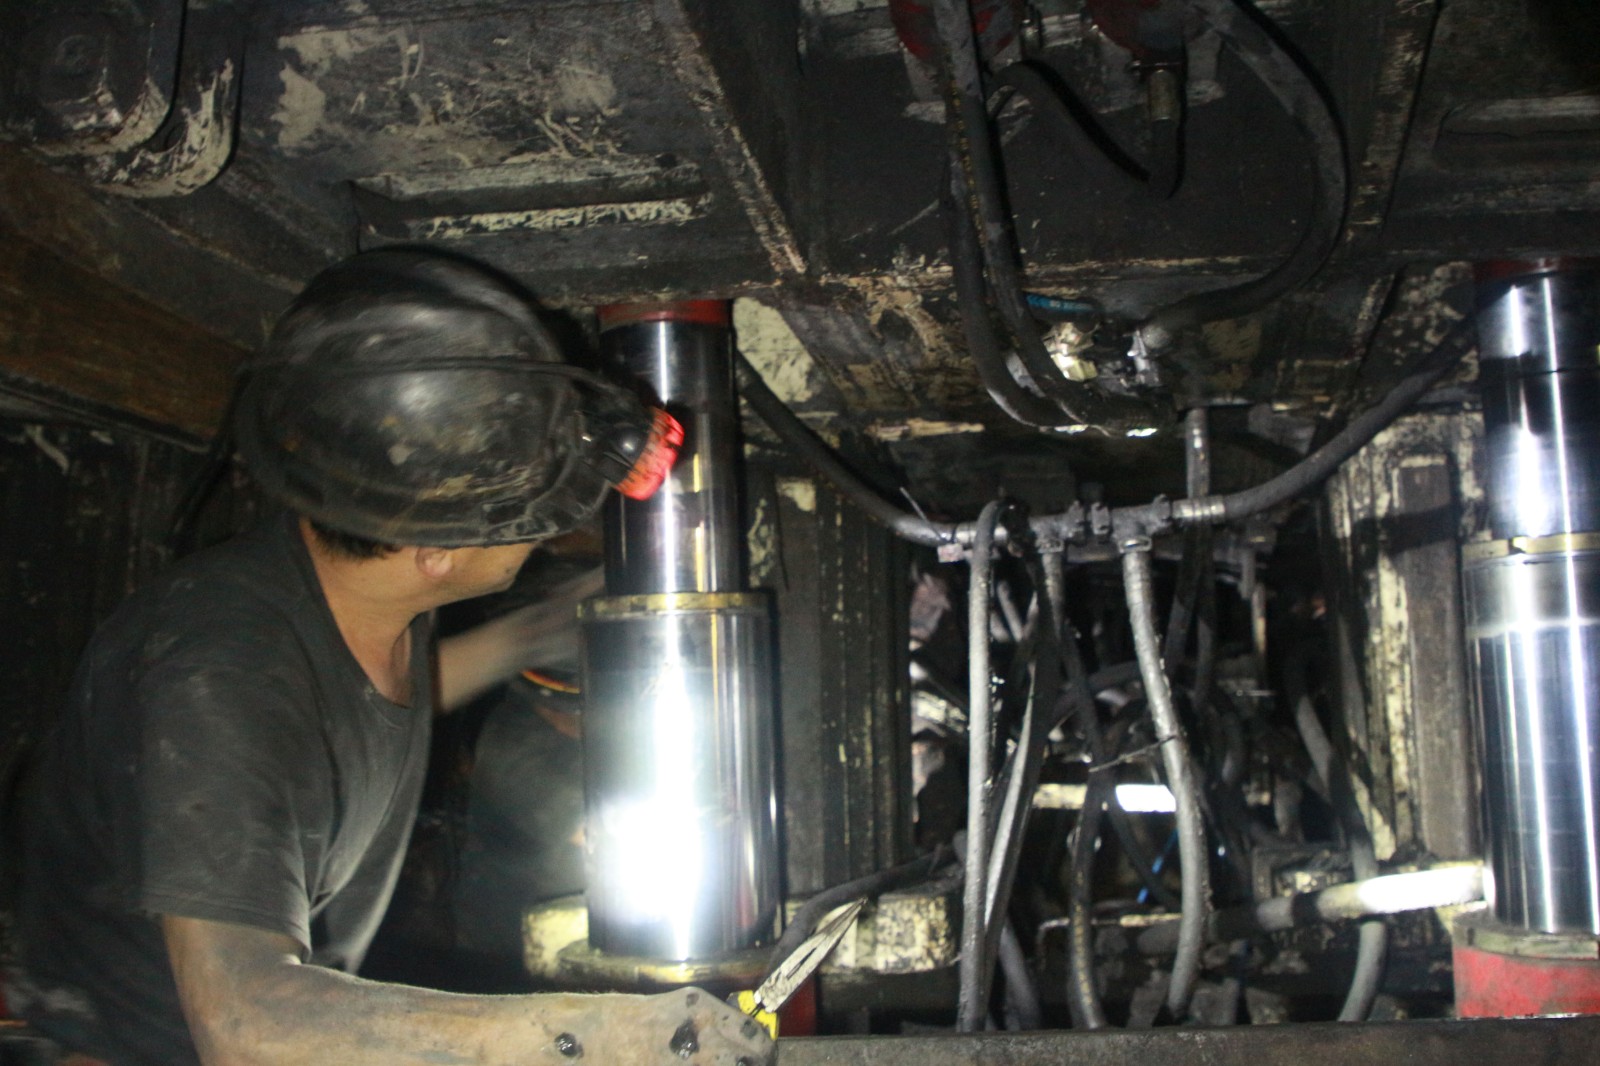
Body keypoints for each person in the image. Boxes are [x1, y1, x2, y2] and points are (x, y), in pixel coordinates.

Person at [11, 250, 772, 1066]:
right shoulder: (220, 674)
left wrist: (529, 634)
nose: (553, 531)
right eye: (536, 511)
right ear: (435, 553)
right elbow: (247, 1026)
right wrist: (596, 1037)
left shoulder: (351, 585)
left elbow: (345, 715)